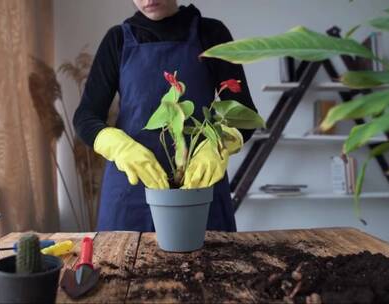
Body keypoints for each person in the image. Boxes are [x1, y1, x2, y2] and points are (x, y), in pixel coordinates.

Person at [73, 0, 258, 232]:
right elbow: (86, 116)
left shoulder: (212, 34)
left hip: (199, 187)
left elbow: (246, 115)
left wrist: (218, 146)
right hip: (131, 192)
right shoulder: (117, 40)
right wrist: (118, 146)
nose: (148, 0)